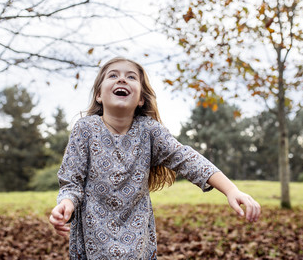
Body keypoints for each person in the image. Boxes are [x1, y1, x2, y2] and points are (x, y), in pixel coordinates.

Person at [49, 57, 261, 259]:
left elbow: (186, 158)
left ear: (141, 98)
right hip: (91, 234)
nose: (122, 79)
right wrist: (66, 204)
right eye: (113, 75)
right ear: (98, 95)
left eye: (131, 77)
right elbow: (71, 180)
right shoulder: (85, 128)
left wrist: (231, 189)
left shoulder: (149, 131)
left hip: (136, 237)